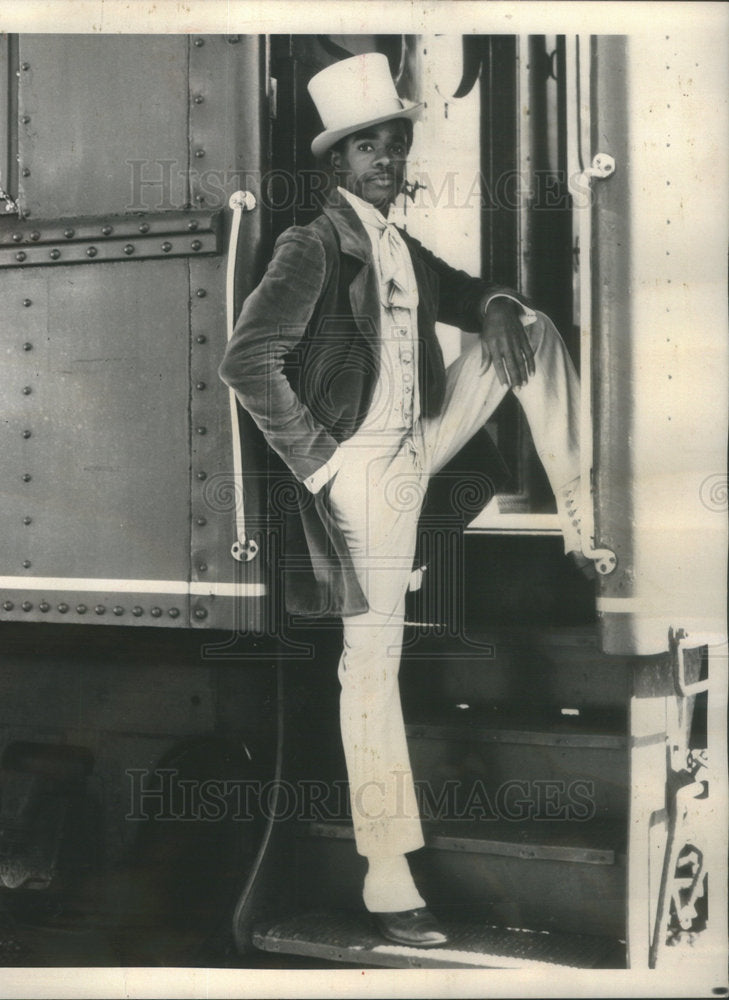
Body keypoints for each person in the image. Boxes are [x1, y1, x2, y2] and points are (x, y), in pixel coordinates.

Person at [219, 52, 586, 948]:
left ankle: (582, 524)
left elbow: (463, 293)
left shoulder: (392, 238)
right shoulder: (314, 242)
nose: (385, 159)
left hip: (418, 443)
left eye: (394, 144)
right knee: (370, 666)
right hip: (362, 469)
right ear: (335, 165)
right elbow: (245, 362)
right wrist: (321, 466)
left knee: (528, 329)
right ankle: (388, 878)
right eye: (365, 148)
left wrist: (496, 300)